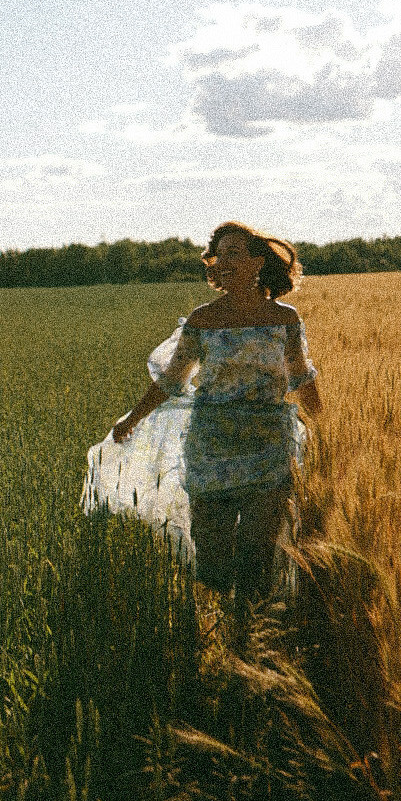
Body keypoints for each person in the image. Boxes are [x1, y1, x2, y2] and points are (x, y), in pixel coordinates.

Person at [81, 222, 323, 606]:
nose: (222, 262)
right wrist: (133, 419)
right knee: (212, 557)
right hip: (211, 447)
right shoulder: (202, 320)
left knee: (258, 552)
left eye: (233, 254)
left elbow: (300, 378)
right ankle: (220, 624)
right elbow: (170, 381)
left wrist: (327, 427)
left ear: (257, 262)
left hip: (268, 447)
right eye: (218, 255)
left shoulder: (285, 319)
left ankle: (250, 631)